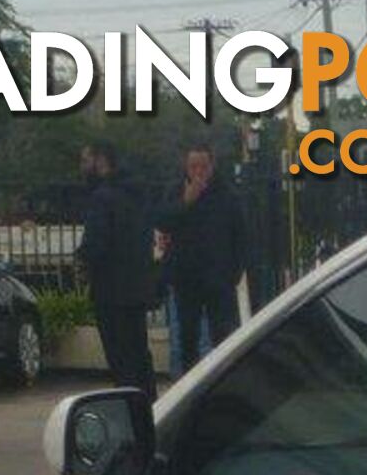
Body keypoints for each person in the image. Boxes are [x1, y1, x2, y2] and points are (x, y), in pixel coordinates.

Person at [77, 141, 158, 392]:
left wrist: (83, 259)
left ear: (100, 161)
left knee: (121, 360)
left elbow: (96, 244)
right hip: (136, 288)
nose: (82, 167)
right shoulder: (136, 194)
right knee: (139, 354)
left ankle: (131, 411)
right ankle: (150, 406)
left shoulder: (102, 198)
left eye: (86, 160)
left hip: (110, 290)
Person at [158, 146, 244, 371]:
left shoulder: (227, 195)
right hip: (186, 278)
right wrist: (186, 202)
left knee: (223, 337)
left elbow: (241, 236)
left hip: (218, 279)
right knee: (187, 337)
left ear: (212, 166)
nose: (198, 172)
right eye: (192, 166)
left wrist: (232, 273)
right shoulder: (176, 191)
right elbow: (163, 221)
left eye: (203, 166)